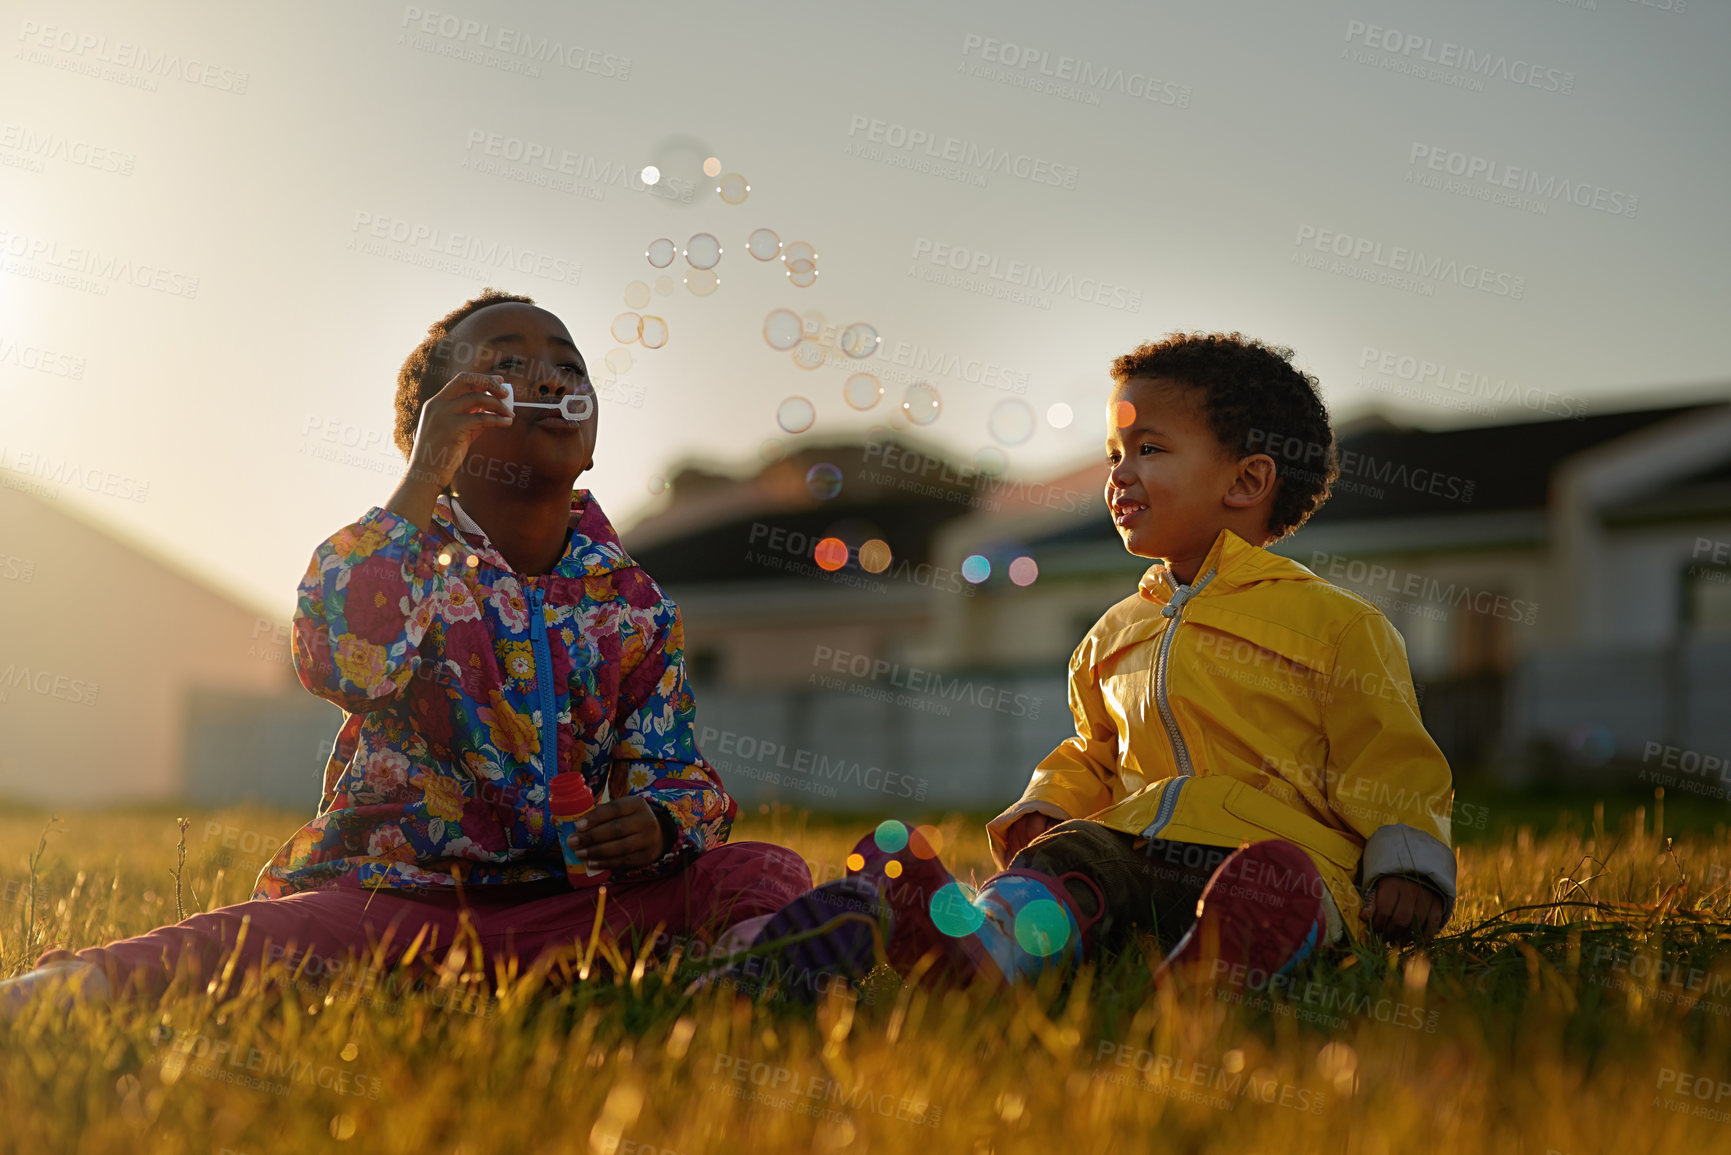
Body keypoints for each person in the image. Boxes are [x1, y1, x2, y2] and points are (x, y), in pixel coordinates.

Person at [1, 289, 812, 1019]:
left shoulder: (632, 604)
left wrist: (660, 821)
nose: (548, 378)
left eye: (567, 367)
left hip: (567, 911)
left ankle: (748, 971)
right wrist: (425, 475)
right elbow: (342, 662)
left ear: (592, 438)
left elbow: (675, 770)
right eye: (505, 367)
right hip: (394, 907)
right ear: (444, 423)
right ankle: (60, 992)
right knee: (261, 935)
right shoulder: (403, 559)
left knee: (759, 867)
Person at [758, 332, 1457, 993]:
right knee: (1069, 859)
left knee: (1273, 880)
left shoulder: (1336, 624)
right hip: (1138, 848)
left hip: (1278, 859)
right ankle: (987, 948)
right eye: (1113, 452)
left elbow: (1388, 761)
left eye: (1147, 448)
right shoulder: (1111, 634)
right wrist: (1049, 807)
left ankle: (1229, 958)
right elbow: (1093, 753)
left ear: (1246, 479)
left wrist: (1409, 867)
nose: (1118, 474)